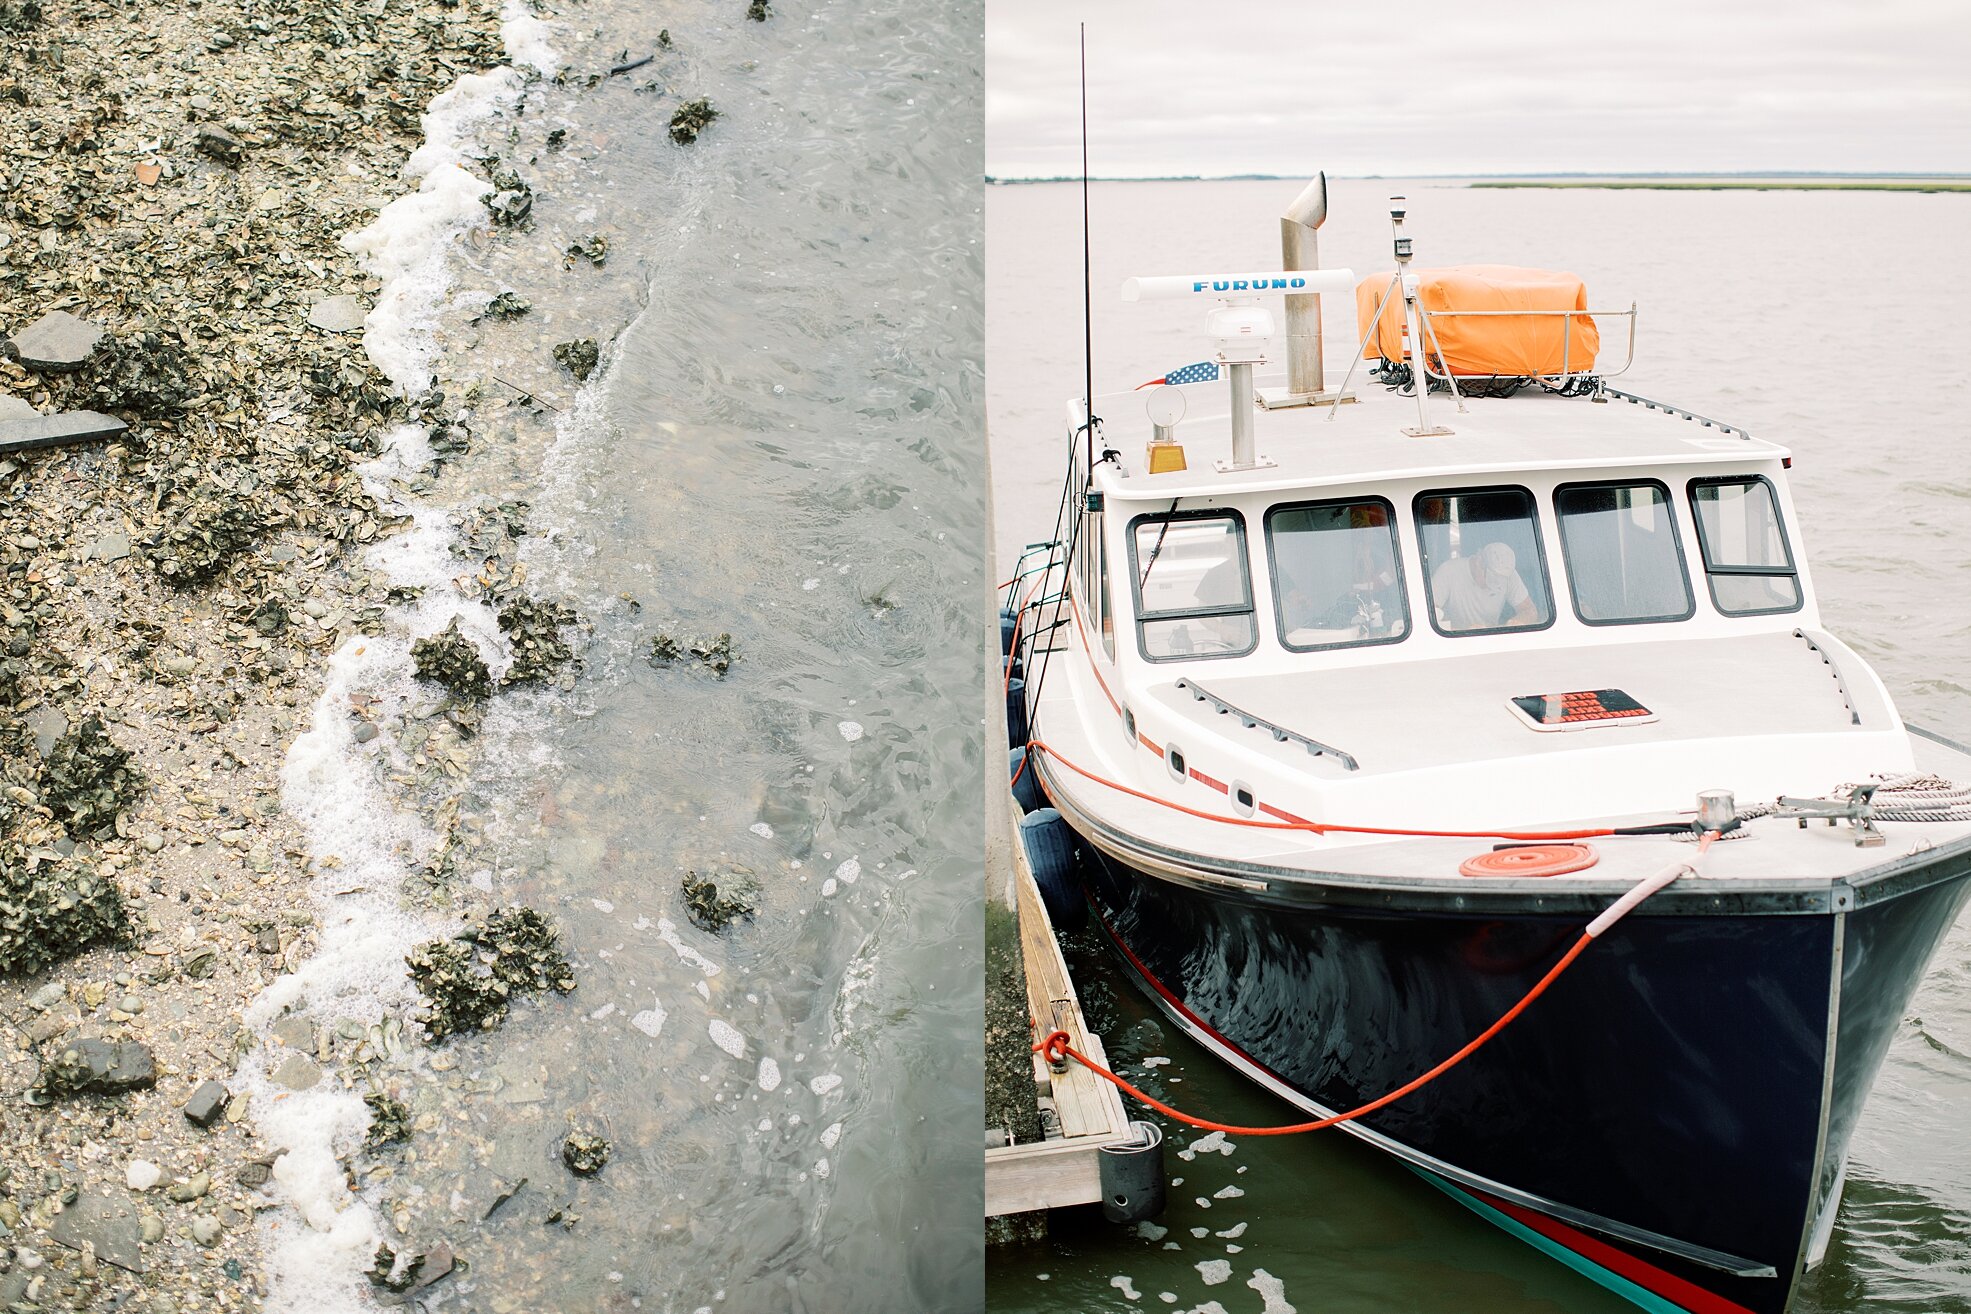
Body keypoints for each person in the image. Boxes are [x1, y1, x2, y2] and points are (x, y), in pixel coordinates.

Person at [1432, 540, 1537, 630]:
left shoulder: (1508, 574)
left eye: (1500, 581)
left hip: (1490, 641)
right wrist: (1463, 632)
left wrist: (1517, 621)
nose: (1495, 585)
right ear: (1479, 562)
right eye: (1492, 579)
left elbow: (1529, 610)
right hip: (1452, 643)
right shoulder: (1448, 571)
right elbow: (1428, 616)